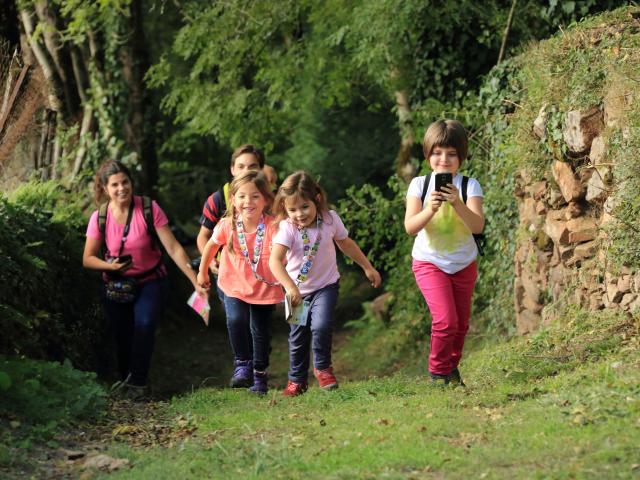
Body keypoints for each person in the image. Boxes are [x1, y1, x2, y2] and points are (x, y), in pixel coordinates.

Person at [83, 160, 206, 400]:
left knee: (145, 324)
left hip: (151, 281)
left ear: (131, 182)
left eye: (125, 182)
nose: (122, 188)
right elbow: (87, 258)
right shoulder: (100, 217)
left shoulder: (149, 208)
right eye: (115, 184)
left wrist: (195, 279)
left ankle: (138, 383)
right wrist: (109, 266)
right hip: (116, 284)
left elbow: (173, 247)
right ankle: (126, 378)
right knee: (122, 334)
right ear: (105, 188)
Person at [269, 171, 382, 397]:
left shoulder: (330, 219)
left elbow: (346, 244)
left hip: (326, 287)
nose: (299, 214)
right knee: (298, 336)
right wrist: (290, 288)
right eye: (292, 209)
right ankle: (296, 381)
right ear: (284, 207)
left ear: (317, 199)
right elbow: (274, 261)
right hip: (296, 292)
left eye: (304, 207)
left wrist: (367, 267)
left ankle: (323, 369)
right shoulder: (287, 228)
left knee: (320, 326)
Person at [404, 119, 484, 386]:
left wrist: (457, 203)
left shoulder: (469, 185)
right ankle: (438, 372)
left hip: (464, 263)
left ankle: (451, 369)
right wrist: (431, 208)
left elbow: (477, 226)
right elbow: (410, 227)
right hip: (429, 262)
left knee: (460, 325)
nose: (444, 160)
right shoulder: (419, 185)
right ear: (428, 155)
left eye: (451, 154)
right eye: (437, 153)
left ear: (461, 157)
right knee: (446, 320)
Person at [197, 170, 283, 394]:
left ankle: (260, 376)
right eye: (242, 196)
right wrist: (202, 271)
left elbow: (287, 253)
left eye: (255, 196)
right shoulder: (228, 225)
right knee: (236, 319)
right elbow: (210, 247)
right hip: (233, 285)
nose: (248, 202)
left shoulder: (275, 226)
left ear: (265, 199)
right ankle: (242, 364)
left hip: (264, 289)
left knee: (261, 332)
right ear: (233, 200)